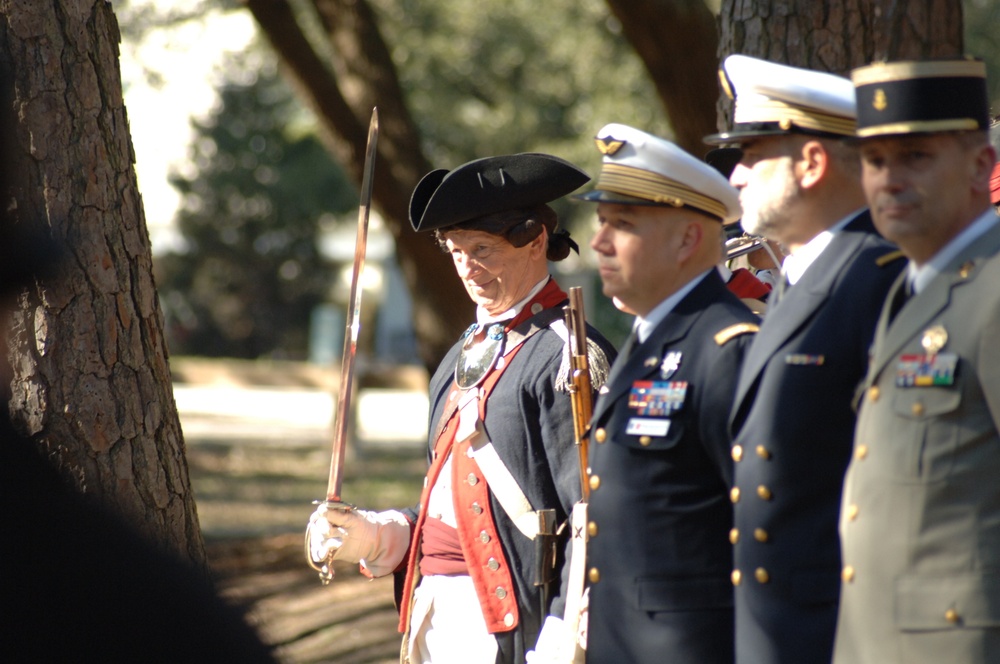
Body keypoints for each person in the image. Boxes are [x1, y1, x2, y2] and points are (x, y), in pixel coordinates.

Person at [306, 153, 615, 664]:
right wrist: (379, 536)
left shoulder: (569, 356)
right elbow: (455, 507)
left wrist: (566, 634)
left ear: (535, 240)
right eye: (455, 251)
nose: (467, 268)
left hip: (522, 627)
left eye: (482, 249)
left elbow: (595, 520)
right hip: (437, 617)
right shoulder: (461, 353)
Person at [703, 55, 906, 664]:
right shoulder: (802, 277)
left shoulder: (882, 281)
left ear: (813, 162)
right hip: (781, 623)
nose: (735, 177)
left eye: (752, 156)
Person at [834, 58, 1000, 664]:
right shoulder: (913, 288)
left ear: (981, 165)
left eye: (917, 158)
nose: (890, 180)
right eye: (876, 162)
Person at [578, 123, 759, 663]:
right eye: (602, 221)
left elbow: (765, 538)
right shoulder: (649, 339)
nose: (599, 242)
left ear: (687, 239)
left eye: (623, 224)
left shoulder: (727, 348)